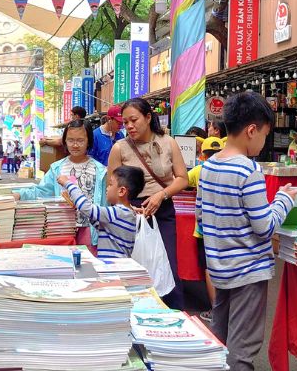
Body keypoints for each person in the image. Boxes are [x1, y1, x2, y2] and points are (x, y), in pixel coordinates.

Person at [196, 91, 297, 371]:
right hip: (249, 272)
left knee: (219, 339)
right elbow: (264, 226)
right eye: (266, 135)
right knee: (242, 348)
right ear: (252, 130)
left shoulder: (208, 167)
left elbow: (201, 218)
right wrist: (283, 199)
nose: (264, 144)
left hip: (221, 269)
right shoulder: (248, 171)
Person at [107, 98, 189, 309]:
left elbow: (182, 178)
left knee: (167, 264)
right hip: (131, 215)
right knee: (135, 267)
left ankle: (172, 316)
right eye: (125, 122)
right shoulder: (119, 148)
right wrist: (127, 207)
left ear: (148, 117)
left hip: (163, 211)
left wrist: (161, 195)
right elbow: (112, 188)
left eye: (133, 120)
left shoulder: (168, 142)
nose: (129, 126)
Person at [13, 120, 107, 251]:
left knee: (88, 264)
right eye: (70, 140)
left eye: (80, 140)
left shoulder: (100, 170)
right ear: (64, 142)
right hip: (62, 227)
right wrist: (19, 194)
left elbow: (106, 203)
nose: (75, 145)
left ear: (89, 141)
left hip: (90, 231)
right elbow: (42, 191)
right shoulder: (57, 168)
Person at [58, 165, 144, 259]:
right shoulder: (128, 213)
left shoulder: (117, 213)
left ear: (122, 191)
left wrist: (68, 184)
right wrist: (80, 208)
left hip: (114, 267)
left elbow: (87, 208)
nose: (107, 188)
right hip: (120, 265)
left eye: (111, 184)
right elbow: (99, 224)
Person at [186, 136, 224, 322]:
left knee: (209, 268)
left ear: (203, 154)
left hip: (203, 229)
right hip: (225, 228)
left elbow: (182, 182)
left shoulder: (200, 169)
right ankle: (226, 308)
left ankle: (216, 309)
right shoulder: (229, 169)